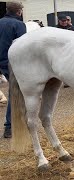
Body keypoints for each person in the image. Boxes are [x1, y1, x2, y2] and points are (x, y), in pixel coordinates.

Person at [0, 1, 26, 138]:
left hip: (1, 61)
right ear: (18, 12)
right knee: (15, 93)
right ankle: (9, 126)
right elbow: (22, 47)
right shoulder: (19, 24)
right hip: (11, 62)